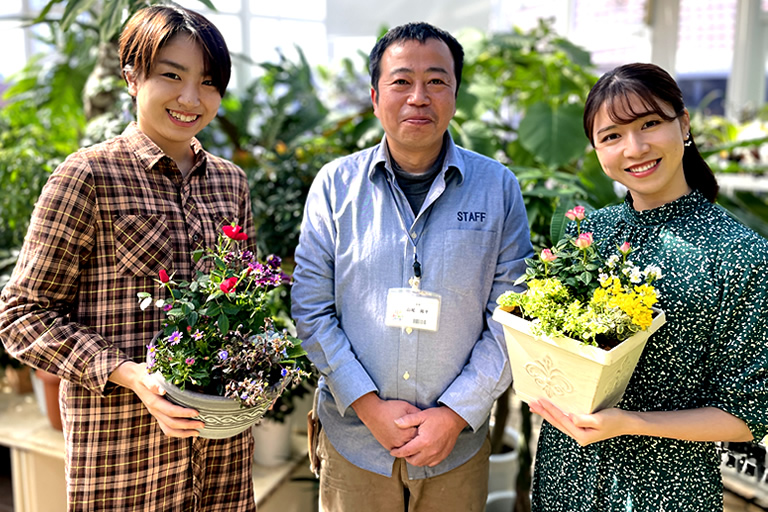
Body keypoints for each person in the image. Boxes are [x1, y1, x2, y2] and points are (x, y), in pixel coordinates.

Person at [0, 5, 258, 511]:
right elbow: (20, 317)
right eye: (171, 76)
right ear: (131, 77)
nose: (191, 98)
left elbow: (241, 300)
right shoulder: (88, 177)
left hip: (223, 463)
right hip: (127, 469)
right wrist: (130, 373)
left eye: (208, 82)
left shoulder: (231, 183)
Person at [291, 22, 533, 512]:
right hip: (355, 443)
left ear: (456, 95)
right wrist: (368, 406)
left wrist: (453, 413)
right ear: (376, 96)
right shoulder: (335, 186)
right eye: (401, 81)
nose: (418, 97)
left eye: (437, 81)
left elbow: (512, 314)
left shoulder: (497, 187)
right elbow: (311, 307)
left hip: (456, 447)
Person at [529, 62, 768, 511]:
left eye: (650, 124)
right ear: (596, 149)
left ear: (684, 123)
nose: (634, 148)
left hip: (663, 490)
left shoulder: (740, 254)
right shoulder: (588, 237)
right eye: (612, 136)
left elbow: (747, 416)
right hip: (566, 475)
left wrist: (630, 422)